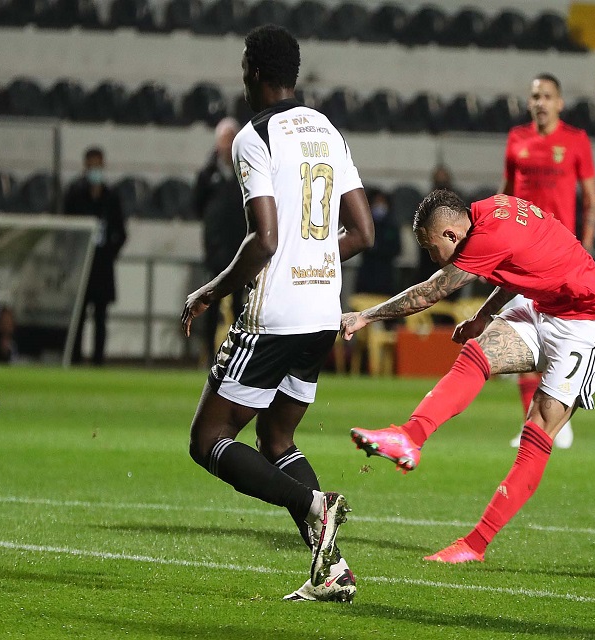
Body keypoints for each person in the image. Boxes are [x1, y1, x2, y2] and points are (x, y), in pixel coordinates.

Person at [180, 25, 374, 602]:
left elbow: (263, 240)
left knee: (208, 438)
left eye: (244, 67)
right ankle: (331, 570)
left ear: (257, 73)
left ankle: (315, 503)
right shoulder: (329, 130)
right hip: (322, 310)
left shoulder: (252, 138)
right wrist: (314, 255)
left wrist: (212, 290)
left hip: (275, 313)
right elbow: (362, 232)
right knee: (276, 436)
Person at [343, 190, 595, 563]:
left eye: (429, 246)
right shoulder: (488, 211)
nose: (429, 256)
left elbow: (430, 293)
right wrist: (484, 317)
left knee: (538, 430)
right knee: (478, 352)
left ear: (451, 236)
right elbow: (518, 266)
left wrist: (365, 317)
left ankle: (475, 545)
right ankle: (409, 436)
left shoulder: (486, 235)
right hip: (540, 306)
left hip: (584, 323)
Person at [502, 73, 595, 449]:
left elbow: (590, 197)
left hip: (562, 257)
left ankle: (560, 420)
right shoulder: (517, 139)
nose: (540, 102)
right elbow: (507, 194)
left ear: (560, 102)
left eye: (546, 96)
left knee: (563, 338)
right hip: (522, 256)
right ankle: (532, 424)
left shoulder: (576, 141)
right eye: (534, 96)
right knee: (522, 337)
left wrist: (587, 244)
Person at [63, 147, 127, 366]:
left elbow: (121, 232)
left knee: (101, 317)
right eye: (92, 166)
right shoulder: (74, 194)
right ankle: (74, 359)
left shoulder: (111, 197)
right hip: (80, 265)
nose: (95, 170)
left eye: (98, 165)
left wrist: (110, 252)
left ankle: (98, 361)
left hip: (102, 265)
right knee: (77, 317)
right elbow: (66, 230)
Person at [192, 117, 247, 365]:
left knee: (238, 308)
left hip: (240, 252)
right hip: (215, 252)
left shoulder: (246, 170)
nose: (226, 146)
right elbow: (196, 205)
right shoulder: (208, 174)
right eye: (223, 141)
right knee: (210, 306)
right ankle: (207, 356)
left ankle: (236, 356)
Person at [355, 190, 402, 295]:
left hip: (385, 274)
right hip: (367, 272)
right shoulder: (367, 225)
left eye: (382, 202)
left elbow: (397, 248)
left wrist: (379, 249)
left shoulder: (392, 226)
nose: (379, 205)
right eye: (377, 202)